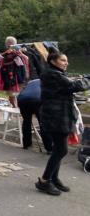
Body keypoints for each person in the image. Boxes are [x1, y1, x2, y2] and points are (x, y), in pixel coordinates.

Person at [35, 52, 90, 196]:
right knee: (61, 150)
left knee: (58, 149)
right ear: (53, 61)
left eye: (67, 60)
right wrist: (87, 79)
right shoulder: (52, 74)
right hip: (55, 117)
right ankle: (44, 181)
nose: (66, 63)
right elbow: (75, 85)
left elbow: (69, 85)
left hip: (60, 116)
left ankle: (54, 178)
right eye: (63, 60)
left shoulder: (55, 73)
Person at [0, 36, 29, 107]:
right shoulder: (5, 53)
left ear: (15, 44)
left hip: (16, 76)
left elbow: (25, 59)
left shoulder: (19, 52)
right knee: (10, 93)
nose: (9, 45)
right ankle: (13, 108)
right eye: (8, 43)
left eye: (11, 43)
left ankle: (15, 108)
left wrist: (19, 54)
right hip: (6, 76)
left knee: (13, 94)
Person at [18, 79, 52, 152]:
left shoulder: (32, 82)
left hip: (22, 99)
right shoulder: (49, 81)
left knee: (26, 121)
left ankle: (26, 144)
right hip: (37, 100)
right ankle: (49, 148)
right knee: (43, 123)